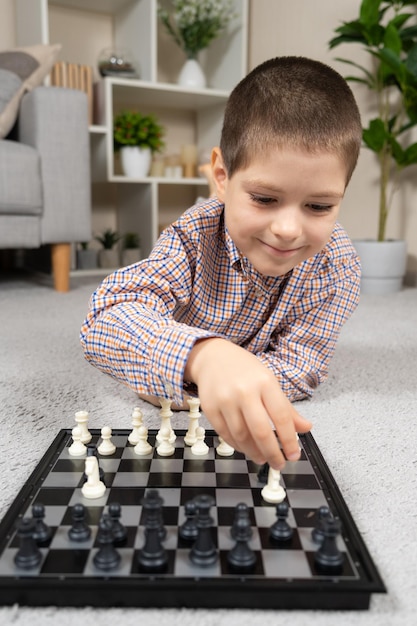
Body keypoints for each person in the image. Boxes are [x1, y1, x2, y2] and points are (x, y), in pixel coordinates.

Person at [80, 56, 362, 471]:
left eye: (318, 206)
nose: (287, 229)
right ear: (222, 176)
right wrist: (203, 357)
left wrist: (183, 387)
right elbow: (103, 318)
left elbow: (299, 369)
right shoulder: (194, 234)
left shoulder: (337, 267)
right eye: (265, 199)